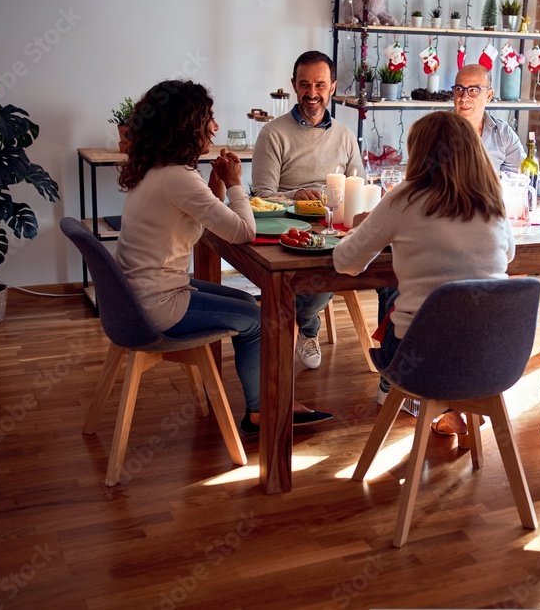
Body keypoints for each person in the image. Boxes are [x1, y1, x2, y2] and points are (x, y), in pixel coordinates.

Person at [115, 80, 331, 437]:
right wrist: (235, 183)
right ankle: (262, 410)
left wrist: (217, 183)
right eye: (209, 118)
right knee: (257, 318)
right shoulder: (178, 178)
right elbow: (243, 232)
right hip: (158, 304)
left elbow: (207, 221)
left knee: (247, 300)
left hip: (137, 296)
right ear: (188, 124)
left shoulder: (157, 169)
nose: (214, 126)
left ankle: (262, 404)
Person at [334, 112, 515, 448]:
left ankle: (414, 397)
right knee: (417, 302)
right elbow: (510, 256)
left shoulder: (404, 198)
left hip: (420, 359)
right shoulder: (493, 199)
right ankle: (448, 408)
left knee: (397, 299)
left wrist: (363, 226)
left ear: (418, 153)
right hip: (493, 358)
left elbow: (346, 263)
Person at [251, 51, 365, 370]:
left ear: (332, 87)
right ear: (293, 85)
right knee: (322, 271)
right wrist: (296, 195)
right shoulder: (273, 134)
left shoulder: (344, 136)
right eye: (304, 84)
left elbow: (359, 182)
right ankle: (308, 326)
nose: (312, 93)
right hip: (289, 227)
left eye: (319, 84)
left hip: (335, 222)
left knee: (377, 269)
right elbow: (262, 194)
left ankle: (388, 361)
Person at [452, 63, 540, 192]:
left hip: (488, 207)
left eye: (473, 91)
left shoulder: (503, 133)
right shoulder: (434, 129)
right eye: (459, 90)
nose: (464, 98)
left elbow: (524, 173)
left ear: (489, 95)